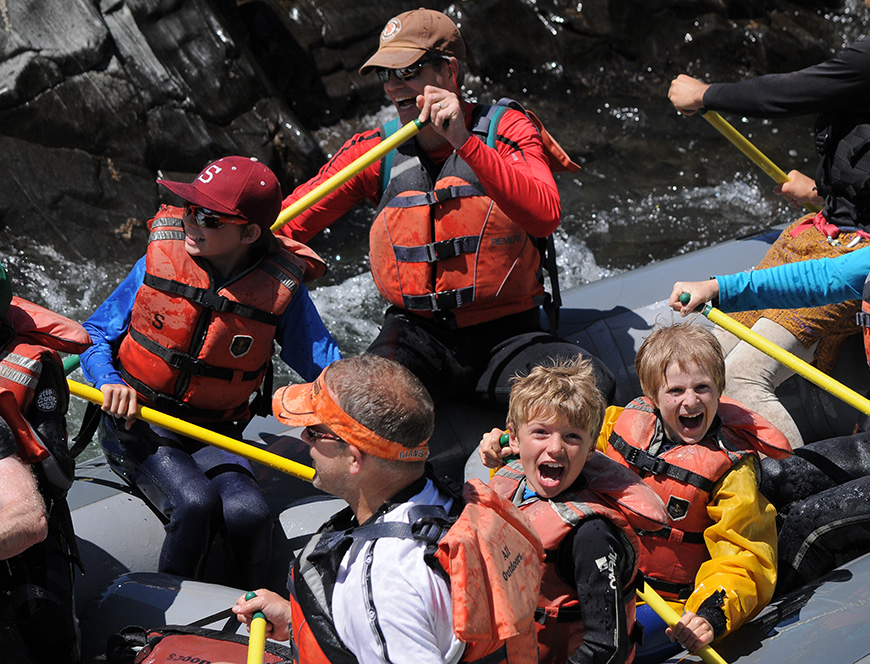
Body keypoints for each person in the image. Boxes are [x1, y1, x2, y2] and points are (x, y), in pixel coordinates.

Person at [669, 126, 870, 593]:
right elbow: (827, 276)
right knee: (766, 478)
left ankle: (753, 623)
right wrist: (720, 288)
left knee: (812, 522)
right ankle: (699, 587)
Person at [668, 0, 870, 447]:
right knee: (699, 364)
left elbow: (799, 89)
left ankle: (778, 497)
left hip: (867, 249)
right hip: (829, 231)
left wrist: (706, 94)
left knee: (743, 379)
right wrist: (824, 191)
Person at [276, 8, 615, 407]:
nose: (392, 87)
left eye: (407, 72)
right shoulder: (376, 150)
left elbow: (544, 214)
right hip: (416, 337)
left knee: (590, 391)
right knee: (360, 408)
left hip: (510, 335)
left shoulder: (507, 129)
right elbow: (285, 225)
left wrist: (464, 143)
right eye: (386, 74)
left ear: (449, 72)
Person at [80, 156, 341, 589]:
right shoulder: (158, 260)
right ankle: (164, 630)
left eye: (207, 217)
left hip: (213, 430)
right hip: (139, 421)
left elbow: (323, 363)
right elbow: (94, 333)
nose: (191, 223)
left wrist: (359, 409)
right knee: (195, 503)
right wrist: (108, 379)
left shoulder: (280, 289)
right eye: (188, 209)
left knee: (249, 512)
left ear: (250, 233)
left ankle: (247, 617)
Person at [480, 326, 789, 660]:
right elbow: (556, 446)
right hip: (596, 575)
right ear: (652, 396)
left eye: (702, 388)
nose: (691, 401)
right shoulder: (617, 424)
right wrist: (505, 450)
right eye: (675, 390)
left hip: (667, 604)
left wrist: (711, 614)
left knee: (580, 636)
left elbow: (744, 557)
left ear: (719, 391)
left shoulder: (731, 472)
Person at [233, 354, 541, 664]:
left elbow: (391, 611)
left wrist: (361, 615)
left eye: (314, 431)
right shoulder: (446, 501)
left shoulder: (384, 584)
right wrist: (293, 621)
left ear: (354, 458)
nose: (304, 438)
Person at [486, 357, 668, 664]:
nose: (555, 448)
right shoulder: (511, 483)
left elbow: (606, 647)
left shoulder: (591, 534)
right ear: (514, 439)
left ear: (591, 450)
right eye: (541, 433)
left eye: (572, 437)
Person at [0, 265, 91, 664]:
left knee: (49, 634)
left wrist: (15, 426)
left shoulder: (35, 365)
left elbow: (58, 474)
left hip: (33, 510)